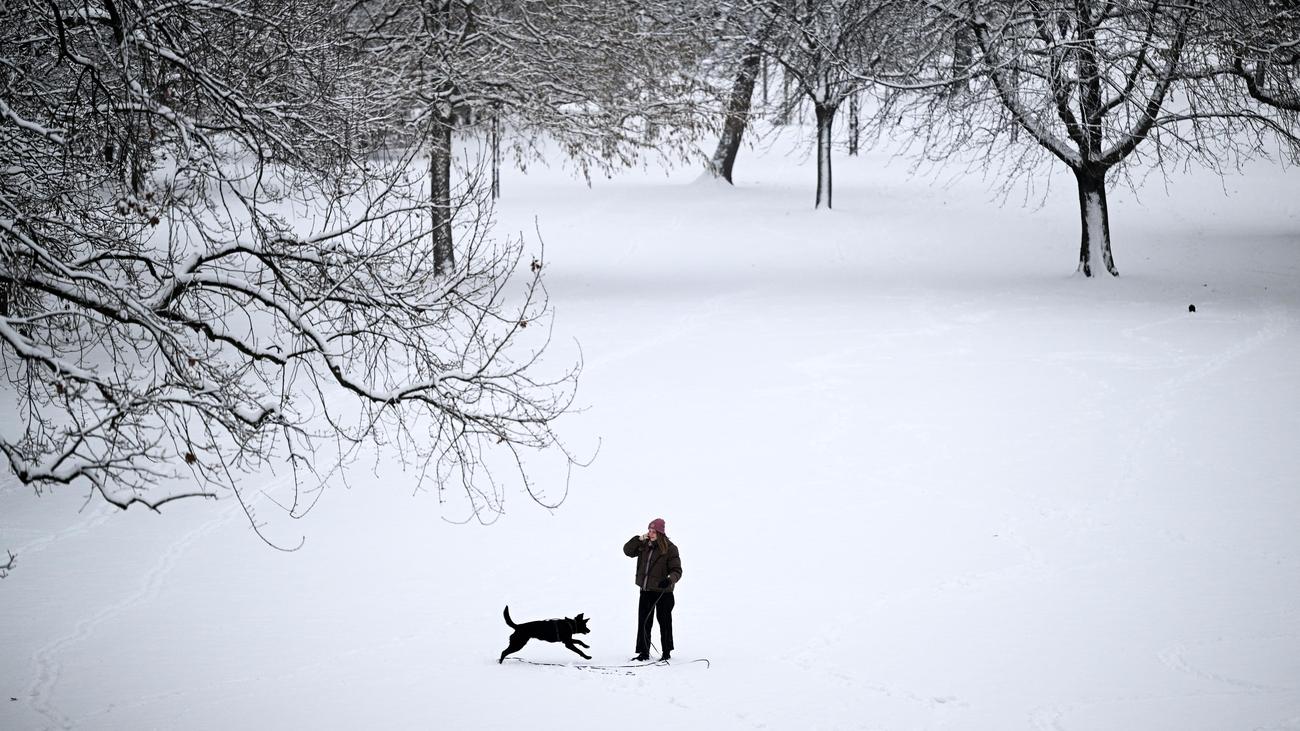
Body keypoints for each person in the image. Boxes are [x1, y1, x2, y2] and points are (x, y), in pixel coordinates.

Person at [622, 517, 682, 661]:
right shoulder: (644, 545)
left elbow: (677, 570)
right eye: (649, 530)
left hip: (663, 593)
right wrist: (639, 538)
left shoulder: (670, 548)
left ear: (660, 532)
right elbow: (627, 550)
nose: (650, 533)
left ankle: (666, 652)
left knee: (665, 623)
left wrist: (669, 580)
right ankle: (643, 653)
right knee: (644, 622)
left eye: (653, 531)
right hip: (646, 591)